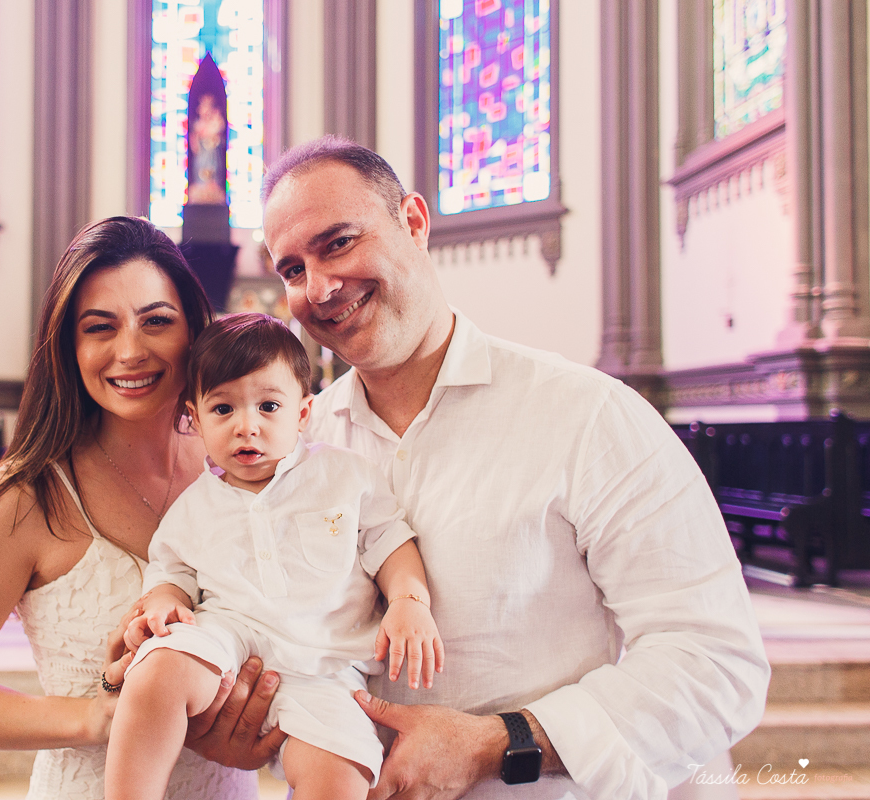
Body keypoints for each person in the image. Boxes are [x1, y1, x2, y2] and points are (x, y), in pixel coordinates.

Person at [256, 137, 771, 800]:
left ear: (414, 221)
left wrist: (496, 744)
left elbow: (715, 666)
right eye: (292, 270)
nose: (320, 288)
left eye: (338, 243)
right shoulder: (297, 453)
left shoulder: (588, 416)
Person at [0, 217, 267, 800]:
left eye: (156, 321)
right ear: (67, 347)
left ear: (194, 331)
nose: (130, 351)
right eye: (100, 328)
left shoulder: (237, 465)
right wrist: (94, 718)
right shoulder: (26, 496)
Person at [104, 313, 444, 800]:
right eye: (223, 409)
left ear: (302, 414)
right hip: (229, 640)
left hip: (329, 668)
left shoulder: (344, 475)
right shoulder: (192, 507)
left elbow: (390, 544)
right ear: (194, 418)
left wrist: (410, 600)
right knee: (156, 671)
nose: (247, 427)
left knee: (341, 780)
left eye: (268, 406)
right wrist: (162, 600)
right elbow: (171, 570)